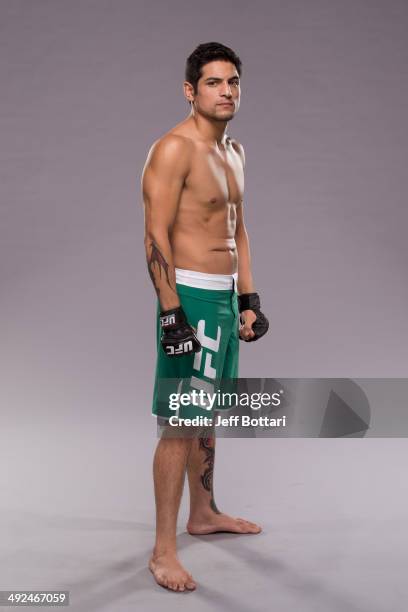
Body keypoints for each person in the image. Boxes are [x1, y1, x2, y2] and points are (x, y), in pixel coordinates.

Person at [141, 42, 269, 592]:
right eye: (214, 83)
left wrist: (249, 300)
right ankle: (163, 550)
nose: (227, 91)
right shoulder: (174, 149)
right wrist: (173, 314)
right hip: (189, 298)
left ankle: (205, 513)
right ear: (191, 90)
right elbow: (155, 235)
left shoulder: (235, 151)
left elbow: (237, 228)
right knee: (182, 423)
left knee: (209, 413)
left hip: (222, 300)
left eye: (233, 82)